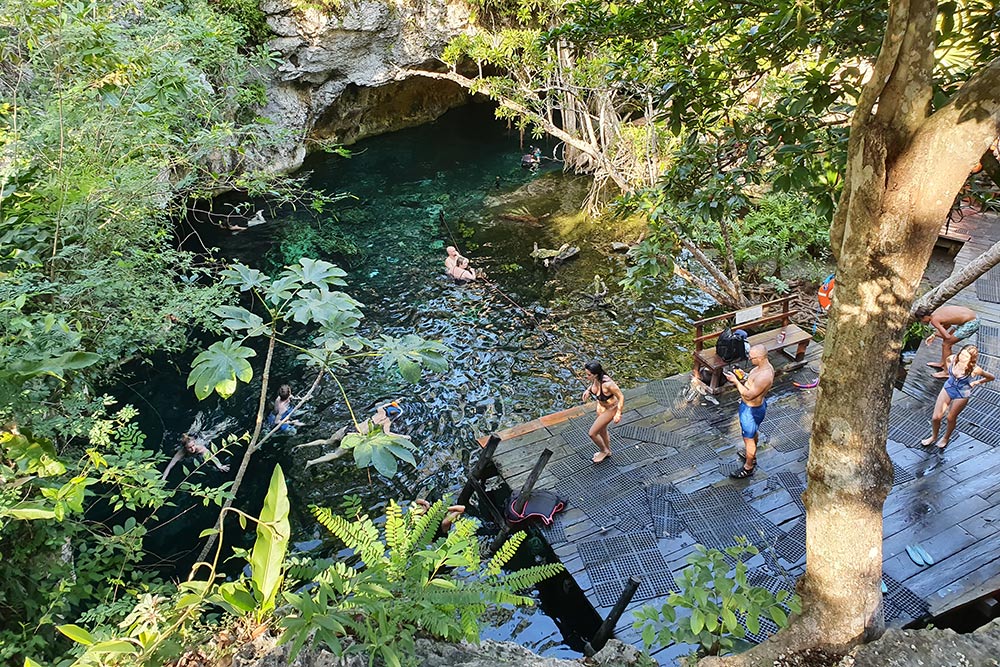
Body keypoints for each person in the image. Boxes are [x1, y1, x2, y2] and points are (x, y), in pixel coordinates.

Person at [921, 345, 995, 449]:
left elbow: (991, 377)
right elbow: (947, 361)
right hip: (948, 388)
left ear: (971, 359)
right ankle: (933, 436)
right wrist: (949, 374)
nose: (962, 358)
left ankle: (946, 437)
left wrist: (976, 382)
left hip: (962, 393)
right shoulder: (952, 359)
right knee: (936, 417)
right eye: (962, 354)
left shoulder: (974, 369)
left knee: (950, 417)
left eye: (966, 356)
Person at [723, 345, 774, 478]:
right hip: (751, 408)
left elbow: (749, 395)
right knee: (752, 433)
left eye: (752, 357)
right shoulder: (761, 367)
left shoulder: (765, 376)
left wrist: (735, 382)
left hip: (751, 410)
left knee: (748, 439)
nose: (750, 359)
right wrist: (742, 375)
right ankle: (751, 455)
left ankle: (749, 466)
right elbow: (751, 382)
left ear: (760, 358)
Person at [916, 305, 980, 378]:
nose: (922, 322)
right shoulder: (937, 312)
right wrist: (934, 335)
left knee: (946, 344)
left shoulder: (934, 320)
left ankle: (947, 372)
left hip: (971, 323)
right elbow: (947, 326)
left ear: (925, 317)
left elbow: (947, 337)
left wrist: (936, 334)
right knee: (947, 342)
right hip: (972, 318)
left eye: (921, 320)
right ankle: (942, 363)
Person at [581, 361, 624, 463]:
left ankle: (603, 450)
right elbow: (594, 386)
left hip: (611, 408)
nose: (586, 377)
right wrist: (588, 390)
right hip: (601, 406)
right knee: (601, 430)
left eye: (589, 375)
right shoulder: (596, 378)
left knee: (592, 433)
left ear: (596, 374)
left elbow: (621, 397)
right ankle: (607, 451)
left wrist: (618, 413)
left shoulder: (608, 384)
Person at [162, 433, 230, 480]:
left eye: (193, 446)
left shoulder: (200, 448)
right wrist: (164, 477)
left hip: (202, 439)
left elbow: (211, 456)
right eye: (189, 447)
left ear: (194, 443)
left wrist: (220, 465)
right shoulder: (180, 453)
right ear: (185, 448)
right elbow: (170, 465)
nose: (192, 449)